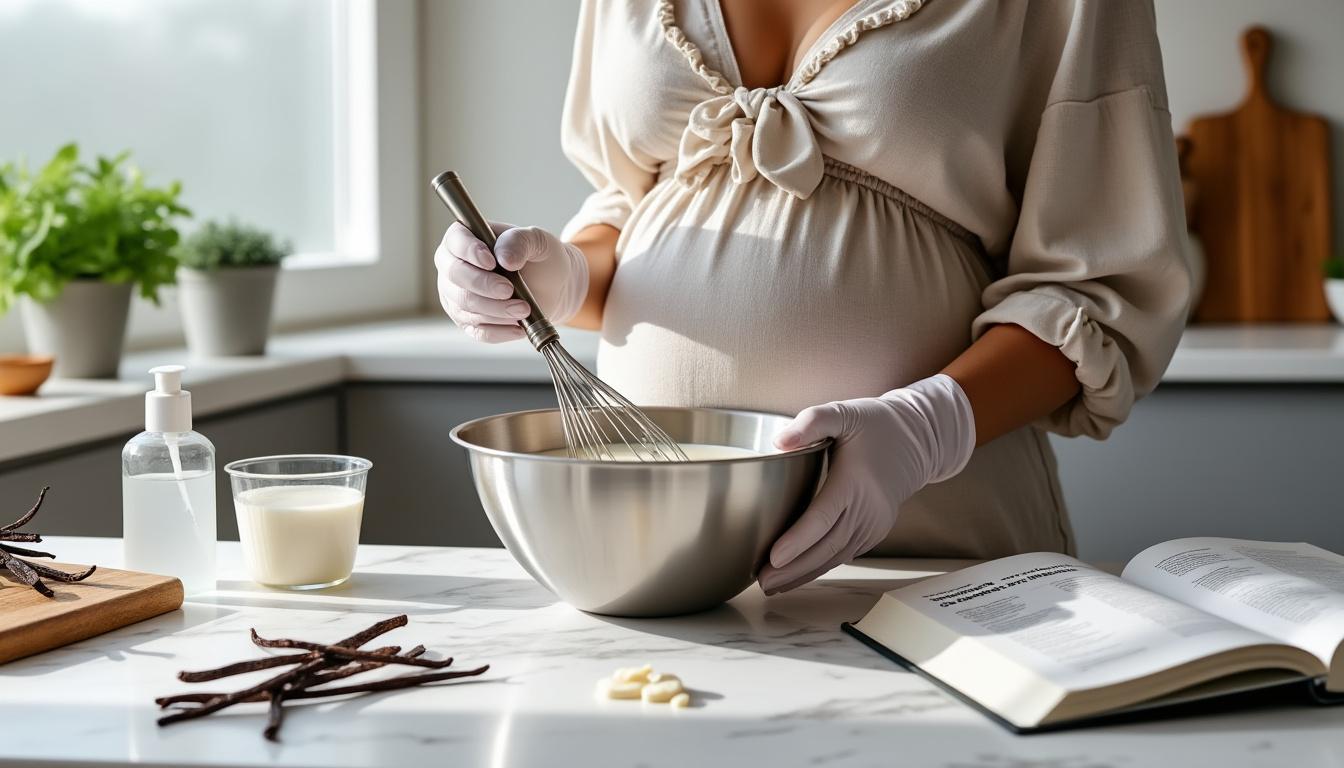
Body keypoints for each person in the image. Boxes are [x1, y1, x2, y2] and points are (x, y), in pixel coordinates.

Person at [435, 0, 1190, 594]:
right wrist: (560, 276)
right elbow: (633, 207)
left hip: (936, 548)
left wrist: (924, 429)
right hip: (649, 544)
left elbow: (1098, 285)